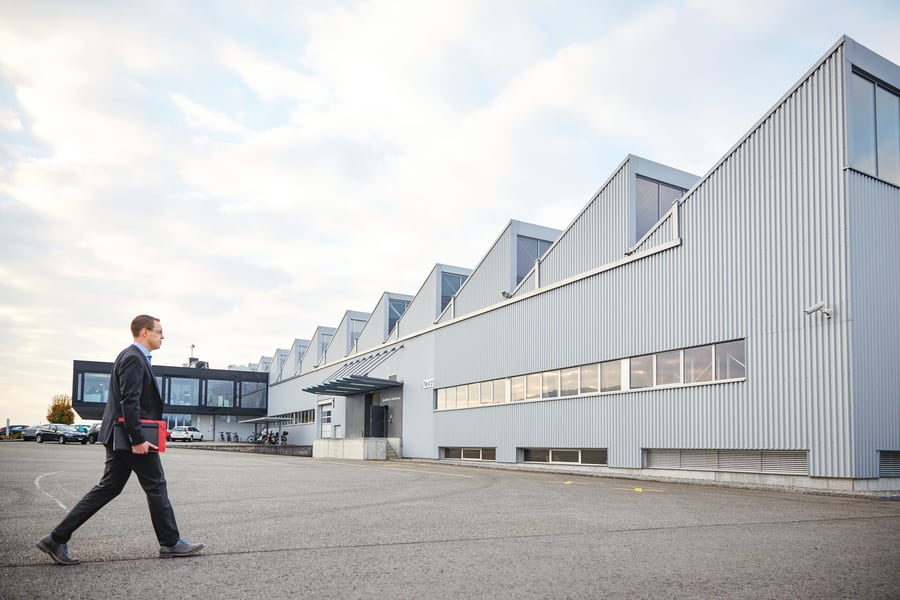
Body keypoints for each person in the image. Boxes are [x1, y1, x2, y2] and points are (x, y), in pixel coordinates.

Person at [36, 314, 204, 565]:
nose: (163, 336)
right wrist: (137, 438)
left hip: (120, 437)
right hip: (130, 438)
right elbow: (129, 401)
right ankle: (170, 543)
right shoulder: (134, 358)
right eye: (159, 331)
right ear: (144, 332)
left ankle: (56, 539)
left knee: (109, 488)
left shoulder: (132, 357)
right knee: (156, 485)